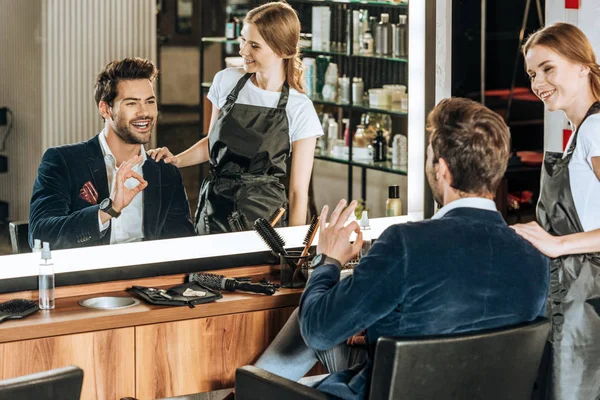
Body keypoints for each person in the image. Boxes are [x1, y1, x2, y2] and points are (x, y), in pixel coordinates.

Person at [255, 97, 550, 400]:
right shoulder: (534, 257)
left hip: (392, 390)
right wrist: (374, 332)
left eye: (428, 156)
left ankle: (251, 391)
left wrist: (328, 260)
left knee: (311, 316)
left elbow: (317, 330)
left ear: (443, 170)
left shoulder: (407, 244)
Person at [147, 1, 322, 234]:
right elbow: (212, 143)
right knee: (206, 271)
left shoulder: (299, 108)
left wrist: (292, 255)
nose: (243, 51)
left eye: (254, 46)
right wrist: (176, 160)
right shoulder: (226, 81)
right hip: (214, 209)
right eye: (242, 40)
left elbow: (298, 193)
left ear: (282, 50)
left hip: (264, 222)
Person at [511, 22, 600, 400]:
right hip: (573, 293)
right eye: (533, 73)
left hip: (590, 296)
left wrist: (558, 244)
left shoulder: (596, 130)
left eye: (548, 68)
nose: (538, 82)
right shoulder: (581, 131)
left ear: (582, 65)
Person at [29, 57, 195, 250]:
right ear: (105, 109)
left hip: (149, 277)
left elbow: (183, 245)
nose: (145, 112)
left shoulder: (163, 170)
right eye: (132, 103)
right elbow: (41, 237)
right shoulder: (63, 161)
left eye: (149, 102)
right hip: (89, 277)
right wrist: (110, 209)